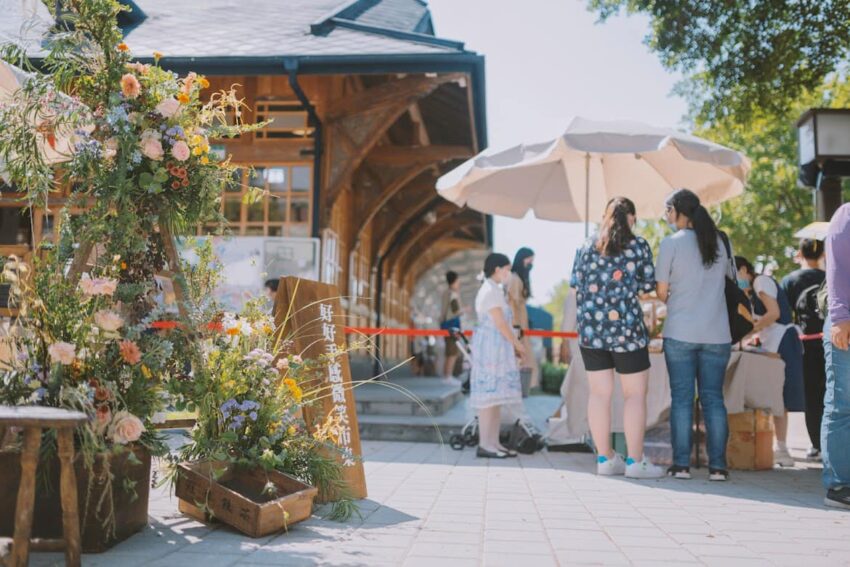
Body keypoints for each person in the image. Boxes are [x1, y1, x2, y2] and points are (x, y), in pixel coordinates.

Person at [570, 197, 664, 479]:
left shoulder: (585, 246)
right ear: (631, 218)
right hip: (628, 331)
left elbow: (576, 286)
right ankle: (635, 462)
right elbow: (648, 288)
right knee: (634, 395)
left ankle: (605, 459)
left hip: (591, 331)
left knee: (599, 394)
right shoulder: (637, 247)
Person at [655, 189, 733, 481]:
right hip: (717, 332)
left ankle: (681, 466)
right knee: (714, 399)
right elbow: (729, 282)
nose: (666, 216)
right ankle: (718, 467)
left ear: (677, 210)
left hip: (680, 331)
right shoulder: (720, 241)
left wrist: (677, 300)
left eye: (667, 210)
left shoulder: (670, 244)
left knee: (682, 399)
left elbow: (662, 291)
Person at [736, 256, 804, 468]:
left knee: (782, 395)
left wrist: (751, 330)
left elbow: (773, 313)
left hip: (782, 340)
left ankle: (782, 447)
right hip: (771, 344)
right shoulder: (750, 292)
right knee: (776, 394)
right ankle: (778, 446)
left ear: (744, 269)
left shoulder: (761, 282)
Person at [470, 253, 525, 459]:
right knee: (488, 398)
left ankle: (493, 442)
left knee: (495, 398)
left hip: (497, 348)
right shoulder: (490, 290)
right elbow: (500, 323)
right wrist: (518, 344)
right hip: (491, 350)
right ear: (497, 269)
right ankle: (485, 444)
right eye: (507, 269)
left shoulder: (495, 289)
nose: (508, 274)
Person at [781, 239, 826, 461]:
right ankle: (832, 443)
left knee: (811, 394)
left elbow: (784, 313)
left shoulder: (789, 280)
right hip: (832, 341)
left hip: (803, 344)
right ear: (823, 254)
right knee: (832, 393)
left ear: (799, 253)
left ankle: (816, 444)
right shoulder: (830, 276)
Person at [821, 203, 850, 509]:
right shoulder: (846, 215)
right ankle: (838, 485)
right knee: (842, 404)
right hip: (846, 321)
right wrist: (841, 317)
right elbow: (838, 266)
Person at [508, 247, 538, 388]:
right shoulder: (514, 278)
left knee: (523, 355)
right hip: (517, 323)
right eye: (529, 259)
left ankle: (523, 386)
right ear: (522, 258)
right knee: (520, 355)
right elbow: (512, 302)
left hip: (522, 322)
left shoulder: (520, 278)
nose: (531, 263)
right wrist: (516, 326)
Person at [440, 270, 463, 383]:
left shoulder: (446, 292)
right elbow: (455, 311)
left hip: (445, 324)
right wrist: (464, 310)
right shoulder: (453, 294)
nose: (459, 282)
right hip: (452, 324)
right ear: (454, 281)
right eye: (458, 280)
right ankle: (448, 376)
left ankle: (446, 376)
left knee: (449, 352)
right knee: (453, 353)